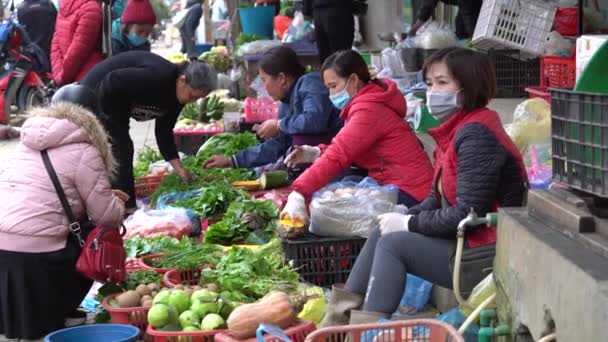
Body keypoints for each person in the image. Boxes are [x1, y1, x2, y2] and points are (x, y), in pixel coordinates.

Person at [319, 48, 527, 326]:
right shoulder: (455, 130)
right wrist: (404, 212)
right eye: (429, 83)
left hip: (487, 253)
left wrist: (408, 224)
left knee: (394, 245)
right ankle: (335, 324)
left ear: (469, 86)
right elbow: (437, 197)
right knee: (382, 229)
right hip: (467, 241)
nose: (432, 92)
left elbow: (467, 213)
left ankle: (362, 332)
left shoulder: (476, 135)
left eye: (443, 83)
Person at [0, 103, 127, 340]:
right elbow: (107, 217)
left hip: (2, 244)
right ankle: (61, 308)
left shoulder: (24, 146)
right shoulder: (84, 150)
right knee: (96, 238)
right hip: (39, 253)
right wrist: (117, 204)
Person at [280, 50, 433, 227]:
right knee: (344, 185)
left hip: (411, 192)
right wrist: (315, 152)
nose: (331, 95)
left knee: (335, 207)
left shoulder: (368, 110)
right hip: (395, 183)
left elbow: (339, 154)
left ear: (353, 80)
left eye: (333, 86)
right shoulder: (366, 103)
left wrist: (298, 192)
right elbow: (347, 146)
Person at [52, 51, 217, 211]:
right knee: (121, 148)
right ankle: (125, 206)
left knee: (118, 148)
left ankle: (113, 200)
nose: (191, 101)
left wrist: (180, 169)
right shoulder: (158, 77)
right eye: (192, 96)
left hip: (112, 96)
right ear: (183, 80)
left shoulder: (177, 96)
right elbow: (112, 81)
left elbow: (164, 132)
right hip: (95, 94)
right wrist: (118, 122)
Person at [203, 46, 342, 170]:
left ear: (281, 78)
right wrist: (232, 161)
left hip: (338, 163)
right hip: (316, 169)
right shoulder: (286, 103)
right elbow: (279, 144)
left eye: (264, 80)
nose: (264, 86)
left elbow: (315, 120)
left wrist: (279, 125)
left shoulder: (310, 83)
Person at [51, 0, 104, 86]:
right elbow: (78, 52)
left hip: (69, 79)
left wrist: (59, 74)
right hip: (88, 77)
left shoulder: (63, 7)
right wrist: (62, 76)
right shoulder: (90, 8)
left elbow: (55, 45)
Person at [409, 0, 482, 40]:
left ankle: (484, 60)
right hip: (465, 3)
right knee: (461, 30)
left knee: (475, 36)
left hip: (468, 2)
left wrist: (415, 28)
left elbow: (427, 7)